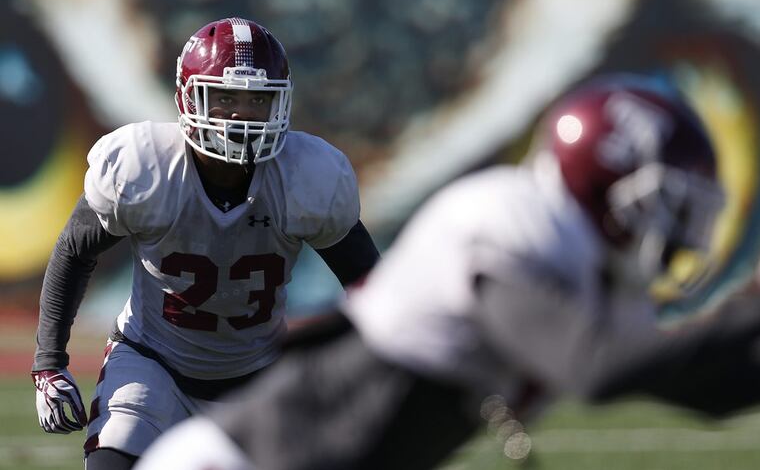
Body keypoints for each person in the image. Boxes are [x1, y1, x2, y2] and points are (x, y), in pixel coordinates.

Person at [133, 72, 760, 470]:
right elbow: (594, 366)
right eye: (670, 207)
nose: (678, 235)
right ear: (607, 182)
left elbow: (701, 389)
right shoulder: (510, 217)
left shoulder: (589, 268)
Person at [30, 17, 380, 470]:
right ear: (187, 97)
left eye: (258, 99)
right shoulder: (144, 167)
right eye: (225, 96)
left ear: (281, 103)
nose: (241, 114)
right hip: (153, 365)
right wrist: (48, 362)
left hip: (260, 377)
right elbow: (75, 250)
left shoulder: (307, 176)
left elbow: (371, 283)